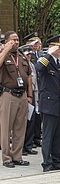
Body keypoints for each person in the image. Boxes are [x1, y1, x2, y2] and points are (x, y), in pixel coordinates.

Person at [35, 34, 60, 172]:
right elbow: (38, 69)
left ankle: (57, 161)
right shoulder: (44, 60)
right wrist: (48, 54)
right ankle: (47, 163)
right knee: (48, 135)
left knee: (58, 135)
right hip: (49, 104)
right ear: (51, 47)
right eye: (58, 47)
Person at [0, 31, 32, 168]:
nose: (16, 42)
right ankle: (6, 157)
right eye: (13, 40)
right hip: (8, 95)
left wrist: (30, 95)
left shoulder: (21, 56)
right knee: (6, 127)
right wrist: (6, 48)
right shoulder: (4, 54)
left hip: (22, 95)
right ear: (6, 41)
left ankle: (17, 156)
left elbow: (29, 76)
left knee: (20, 127)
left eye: (17, 40)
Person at [22, 48, 39, 156]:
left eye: (30, 55)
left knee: (32, 121)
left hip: (32, 93)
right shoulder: (21, 65)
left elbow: (35, 81)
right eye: (27, 54)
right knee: (23, 123)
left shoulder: (31, 65)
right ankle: (22, 147)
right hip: (24, 94)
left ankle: (28, 145)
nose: (29, 56)